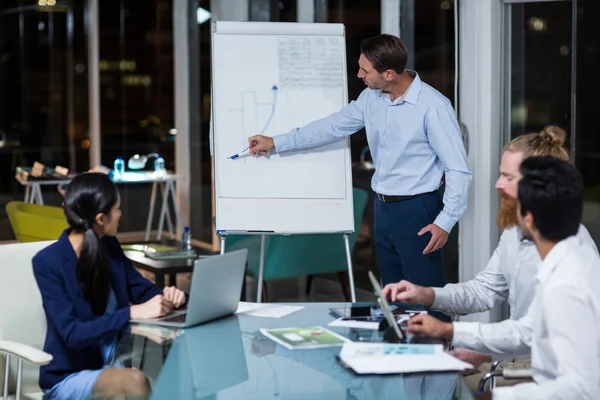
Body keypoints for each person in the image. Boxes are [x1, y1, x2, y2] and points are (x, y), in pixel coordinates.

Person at [247, 34, 471, 287]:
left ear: (388, 74)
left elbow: (458, 170)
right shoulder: (371, 98)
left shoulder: (434, 106)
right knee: (393, 294)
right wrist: (276, 142)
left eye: (365, 70)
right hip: (382, 208)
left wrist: (445, 222)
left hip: (418, 210)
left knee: (426, 295)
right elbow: (331, 126)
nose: (359, 75)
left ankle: (437, 328)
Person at [381, 126, 597, 388]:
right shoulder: (516, 230)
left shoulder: (569, 256)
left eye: (507, 176)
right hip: (514, 356)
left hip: (541, 371)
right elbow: (486, 291)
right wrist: (427, 295)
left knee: (440, 389)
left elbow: (544, 344)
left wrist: (462, 340)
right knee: (422, 379)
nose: (497, 184)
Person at [33, 173, 186, 400]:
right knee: (135, 381)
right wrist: (131, 312)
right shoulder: (48, 262)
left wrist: (172, 296)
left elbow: (143, 291)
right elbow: (72, 333)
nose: (120, 214)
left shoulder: (110, 246)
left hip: (117, 364)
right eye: (116, 209)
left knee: (180, 368)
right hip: (70, 378)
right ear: (100, 218)